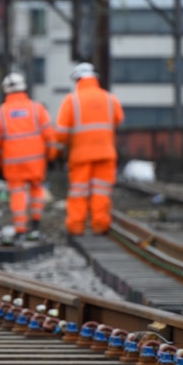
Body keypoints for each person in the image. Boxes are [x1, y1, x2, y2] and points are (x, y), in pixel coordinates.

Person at [53, 62, 125, 236]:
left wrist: (56, 152)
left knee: (79, 192)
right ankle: (100, 225)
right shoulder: (109, 98)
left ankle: (76, 226)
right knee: (101, 191)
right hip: (106, 153)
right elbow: (119, 119)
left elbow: (61, 132)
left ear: (77, 80)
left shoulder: (72, 100)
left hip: (81, 155)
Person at [0, 72, 55, 241]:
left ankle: (20, 230)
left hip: (13, 164)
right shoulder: (37, 108)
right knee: (36, 190)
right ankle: (36, 225)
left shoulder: (0, 112)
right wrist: (51, 156)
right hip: (36, 162)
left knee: (17, 194)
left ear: (6, 90)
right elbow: (50, 135)